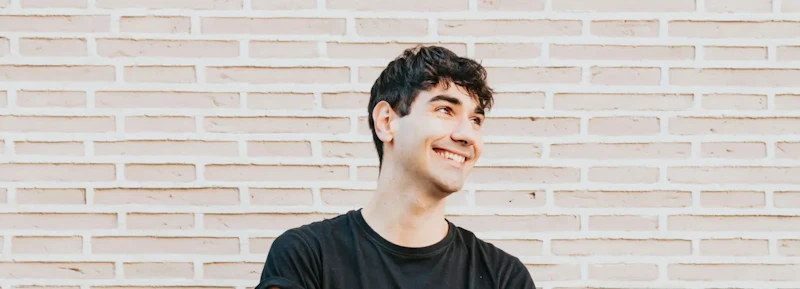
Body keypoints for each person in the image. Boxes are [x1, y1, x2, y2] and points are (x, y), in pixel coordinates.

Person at [254, 45, 536, 289]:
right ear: (387, 122)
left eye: (476, 120)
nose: (467, 135)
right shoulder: (306, 257)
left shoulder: (503, 277)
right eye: (444, 110)